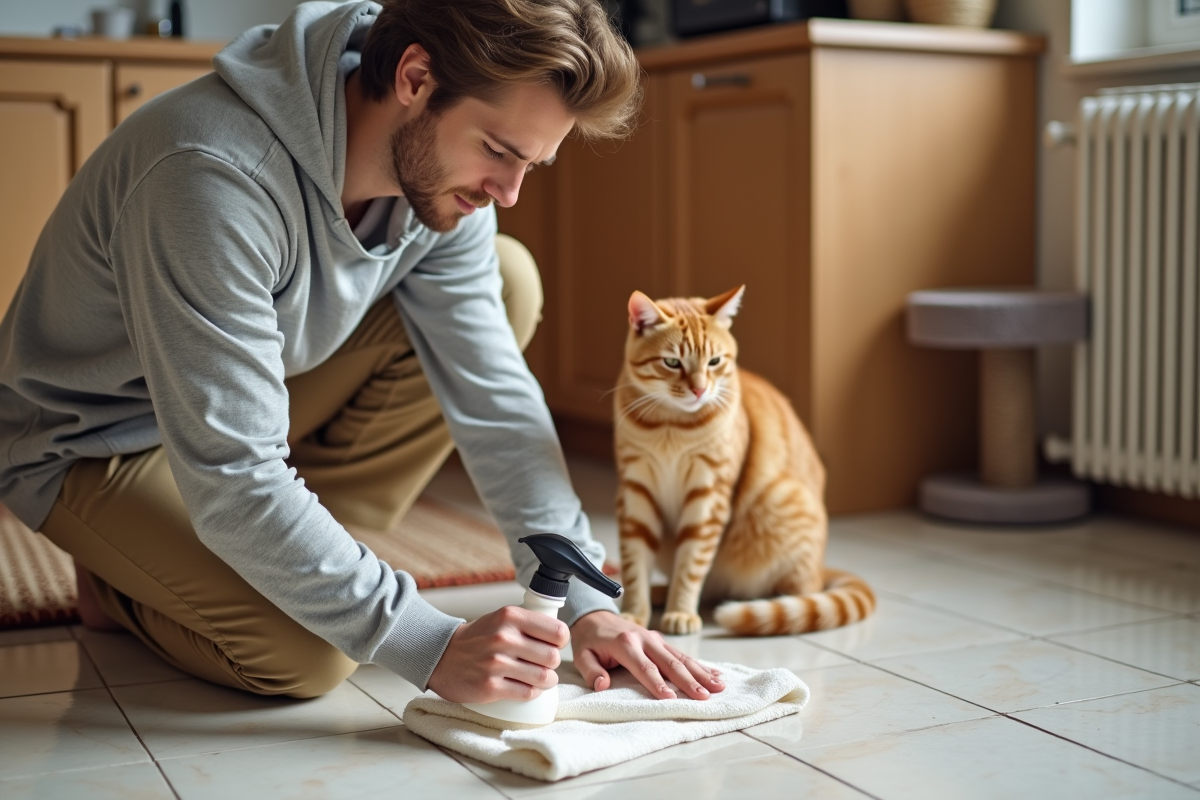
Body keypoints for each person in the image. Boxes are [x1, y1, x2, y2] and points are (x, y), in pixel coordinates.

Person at [0, 0, 723, 705]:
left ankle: (276, 547)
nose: (508, 193)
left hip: (246, 398)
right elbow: (234, 472)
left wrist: (588, 601)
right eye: (500, 152)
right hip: (92, 439)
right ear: (414, 77)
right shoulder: (209, 174)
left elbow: (495, 399)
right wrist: (429, 645)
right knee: (311, 653)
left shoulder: (443, 186)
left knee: (507, 278)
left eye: (532, 164)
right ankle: (118, 580)